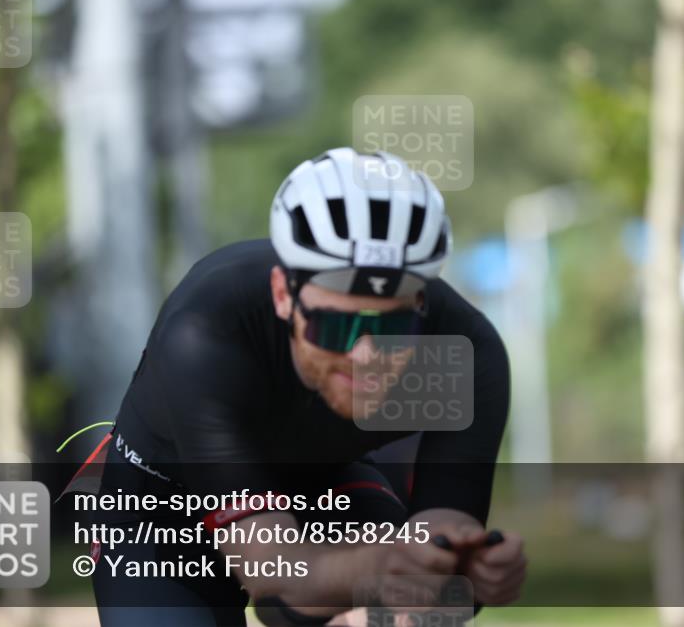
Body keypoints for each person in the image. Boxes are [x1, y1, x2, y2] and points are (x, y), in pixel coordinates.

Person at [87, 148, 526, 626]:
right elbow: (275, 573)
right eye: (335, 328)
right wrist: (382, 568)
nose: (365, 357)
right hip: (163, 509)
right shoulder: (207, 328)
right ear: (283, 295)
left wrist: (464, 569)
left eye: (390, 331)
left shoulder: (465, 352)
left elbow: (438, 546)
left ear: (420, 305)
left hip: (325, 486)